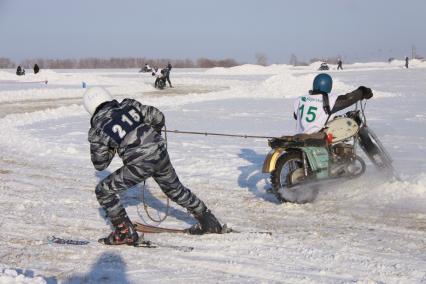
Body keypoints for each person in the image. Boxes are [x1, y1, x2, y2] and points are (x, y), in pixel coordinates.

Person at [83, 87, 223, 245]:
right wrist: (152, 135)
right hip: (160, 153)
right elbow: (158, 116)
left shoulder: (99, 129)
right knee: (175, 189)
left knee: (103, 191)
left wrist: (112, 146)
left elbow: (100, 164)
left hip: (139, 163)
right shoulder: (129, 106)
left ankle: (125, 233)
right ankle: (209, 221)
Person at [293, 73, 373, 134]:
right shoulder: (329, 100)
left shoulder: (300, 99)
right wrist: (362, 91)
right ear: (329, 86)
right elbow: (348, 99)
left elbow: (296, 116)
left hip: (299, 137)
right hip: (316, 138)